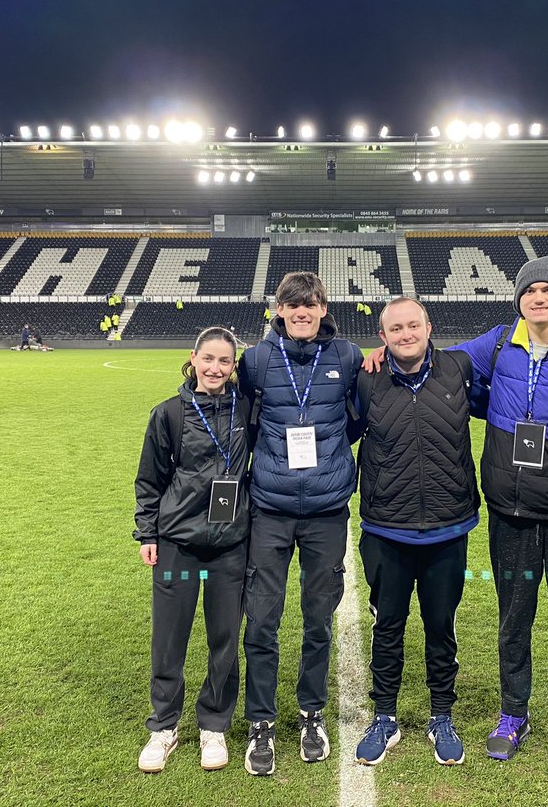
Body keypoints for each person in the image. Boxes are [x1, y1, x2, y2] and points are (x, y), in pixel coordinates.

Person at [362, 255, 548, 778]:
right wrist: (386, 352)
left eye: (547, 291)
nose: (538, 299)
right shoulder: (497, 343)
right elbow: (435, 359)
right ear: (518, 300)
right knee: (513, 623)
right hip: (511, 514)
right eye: (528, 291)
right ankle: (513, 716)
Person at [239, 271, 362, 776]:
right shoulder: (257, 360)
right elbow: (239, 415)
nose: (302, 313)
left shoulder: (350, 357)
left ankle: (311, 713)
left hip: (327, 512)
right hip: (269, 508)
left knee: (318, 621)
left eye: (310, 304)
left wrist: (332, 460)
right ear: (279, 310)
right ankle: (261, 721)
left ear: (323, 307)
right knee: (262, 620)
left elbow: (361, 417)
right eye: (293, 306)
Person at [347, 297, 478, 767]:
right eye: (395, 328)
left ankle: (442, 715)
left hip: (448, 525)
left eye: (412, 325)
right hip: (386, 527)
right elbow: (341, 432)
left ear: (429, 327)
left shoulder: (459, 368)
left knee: (441, 627)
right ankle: (385, 717)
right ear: (382, 337)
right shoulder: (366, 376)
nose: (405, 334)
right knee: (388, 625)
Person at [133, 327, 253, 774]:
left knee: (224, 640)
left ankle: (214, 725)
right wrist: (148, 534)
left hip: (229, 547)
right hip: (177, 546)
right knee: (169, 641)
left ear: (233, 366)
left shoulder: (248, 410)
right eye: (209, 359)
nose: (216, 368)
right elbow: (149, 481)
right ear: (194, 358)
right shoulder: (168, 414)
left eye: (225, 361)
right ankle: (164, 726)